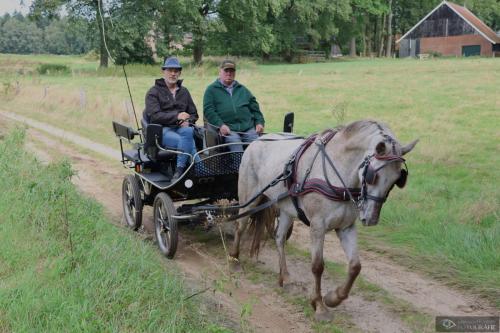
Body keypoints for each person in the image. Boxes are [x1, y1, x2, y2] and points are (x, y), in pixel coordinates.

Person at [143, 57, 199, 180]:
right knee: (187, 143)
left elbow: (194, 114)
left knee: (189, 131)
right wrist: (177, 116)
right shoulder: (153, 92)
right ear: (163, 72)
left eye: (176, 71)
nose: (173, 74)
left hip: (181, 128)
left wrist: (188, 121)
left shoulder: (184, 92)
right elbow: (155, 116)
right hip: (162, 131)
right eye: (170, 70)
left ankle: (191, 171)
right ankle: (191, 171)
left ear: (180, 73)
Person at [203, 59, 265, 152]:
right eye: (226, 71)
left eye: (231, 71)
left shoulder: (243, 89)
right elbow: (208, 110)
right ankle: (238, 166)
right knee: (236, 147)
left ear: (235, 73)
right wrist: (221, 125)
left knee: (258, 147)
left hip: (247, 127)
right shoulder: (211, 90)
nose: (229, 73)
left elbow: (255, 108)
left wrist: (259, 122)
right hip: (228, 130)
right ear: (220, 71)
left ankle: (256, 167)